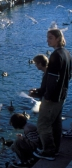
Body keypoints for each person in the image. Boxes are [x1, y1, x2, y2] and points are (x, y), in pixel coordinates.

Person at [33, 29, 72, 160]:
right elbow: (68, 76)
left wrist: (45, 95)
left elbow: (52, 79)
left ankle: (48, 151)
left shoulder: (55, 56)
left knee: (43, 124)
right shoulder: (67, 53)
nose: (47, 40)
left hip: (53, 98)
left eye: (50, 38)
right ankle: (55, 148)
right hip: (62, 95)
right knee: (56, 122)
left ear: (57, 39)